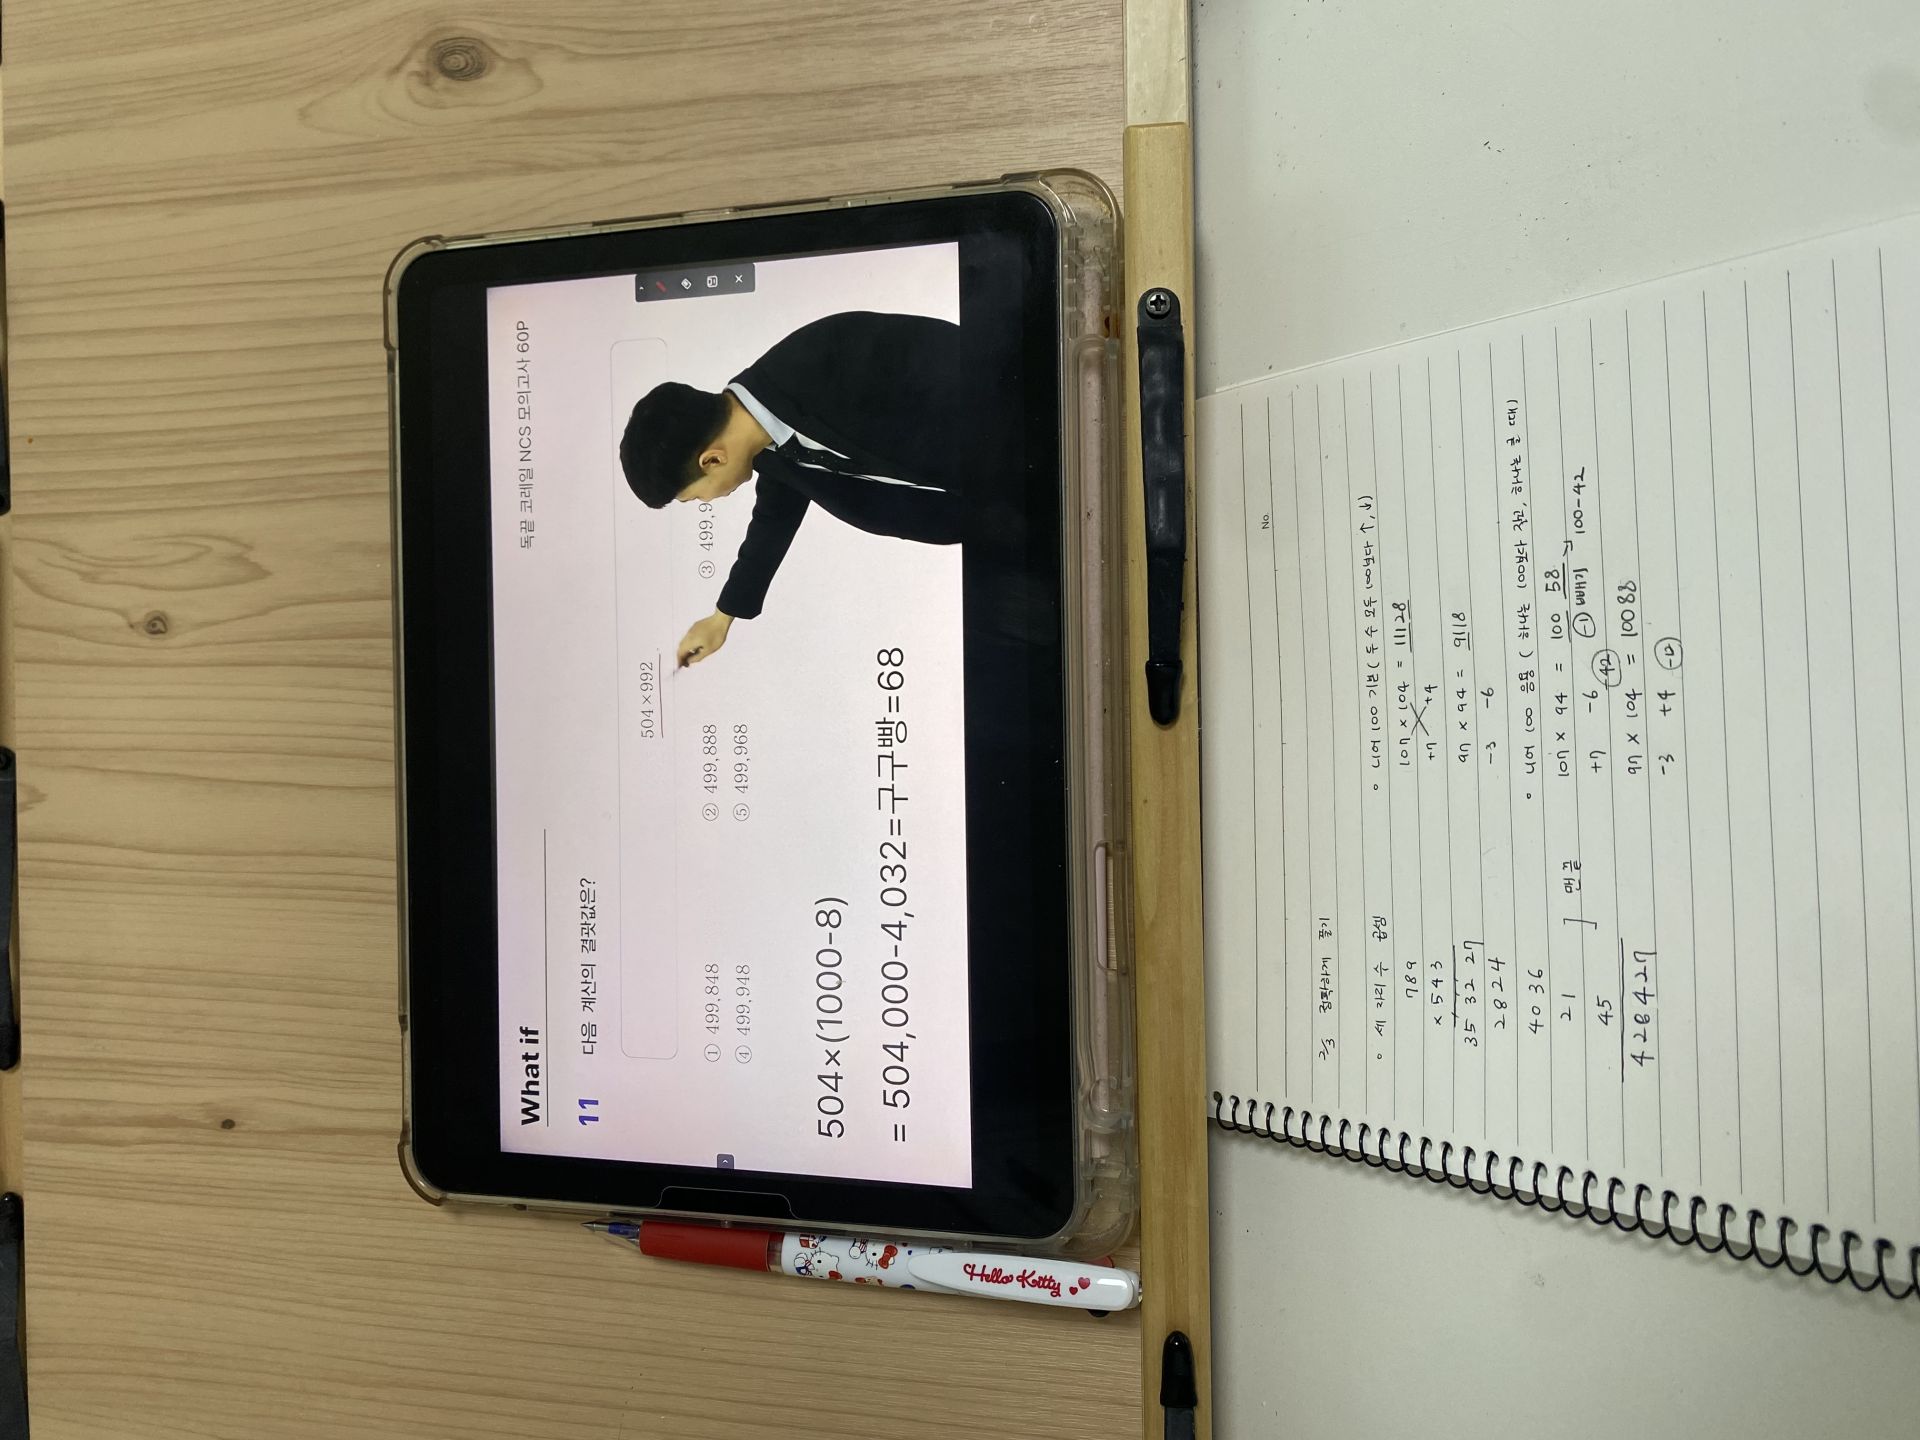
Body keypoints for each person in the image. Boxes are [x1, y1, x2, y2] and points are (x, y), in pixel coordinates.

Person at [618, 309, 1012, 666]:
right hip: (1000, 519)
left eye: (695, 497)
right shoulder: (772, 453)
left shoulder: (820, 355)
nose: (708, 500)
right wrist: (722, 618)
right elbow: (771, 524)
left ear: (712, 460)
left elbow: (960, 363)